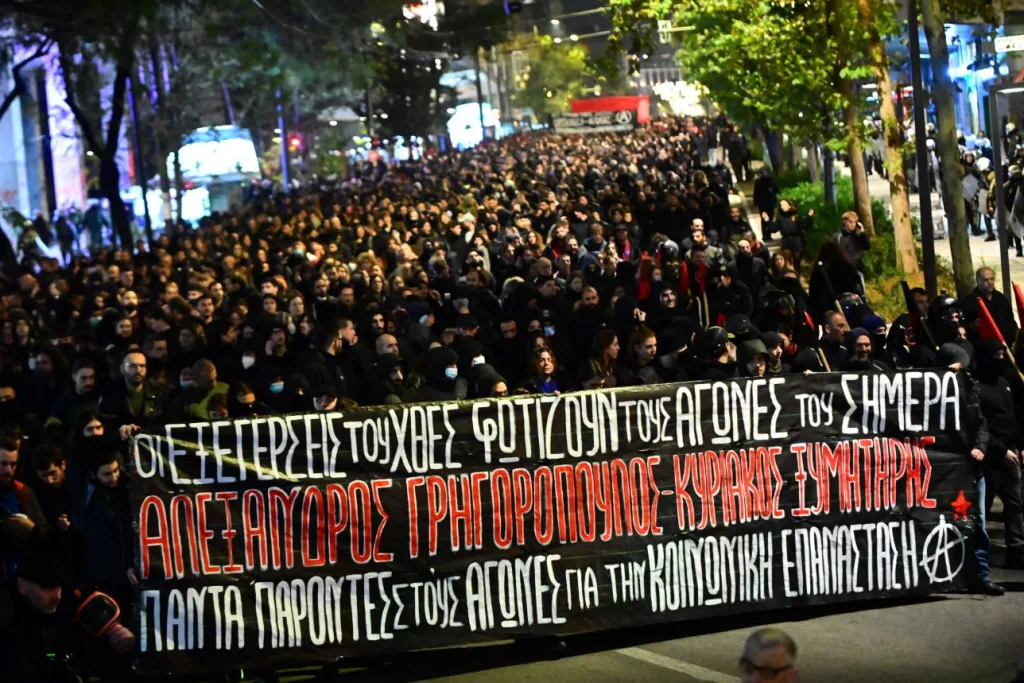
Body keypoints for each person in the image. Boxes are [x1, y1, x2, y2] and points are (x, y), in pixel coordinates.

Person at [960, 266, 1018, 346]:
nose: (990, 282)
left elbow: (1011, 322)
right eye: (986, 280)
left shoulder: (1001, 299)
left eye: (992, 279)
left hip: (1006, 346)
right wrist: (972, 326)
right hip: (982, 348)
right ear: (978, 281)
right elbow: (963, 327)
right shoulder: (968, 302)